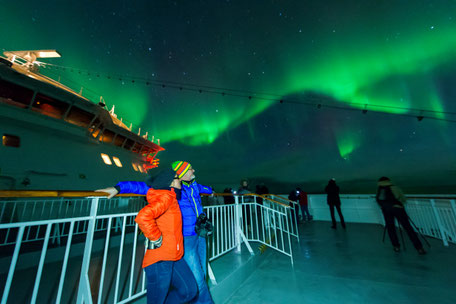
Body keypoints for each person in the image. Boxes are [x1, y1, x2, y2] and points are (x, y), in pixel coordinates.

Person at [100, 161, 214, 304]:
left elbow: (206, 189)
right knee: (197, 279)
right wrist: (119, 187)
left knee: (199, 276)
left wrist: (212, 190)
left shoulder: (193, 186)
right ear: (181, 174)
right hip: (184, 238)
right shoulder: (170, 192)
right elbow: (142, 188)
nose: (194, 170)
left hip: (198, 235)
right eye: (190, 169)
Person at [376, 177, 426, 254]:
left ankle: (396, 247)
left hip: (386, 211)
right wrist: (399, 204)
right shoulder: (394, 188)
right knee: (408, 228)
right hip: (398, 210)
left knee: (391, 228)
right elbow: (403, 198)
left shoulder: (380, 189)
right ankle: (419, 248)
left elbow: (379, 200)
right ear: (388, 181)